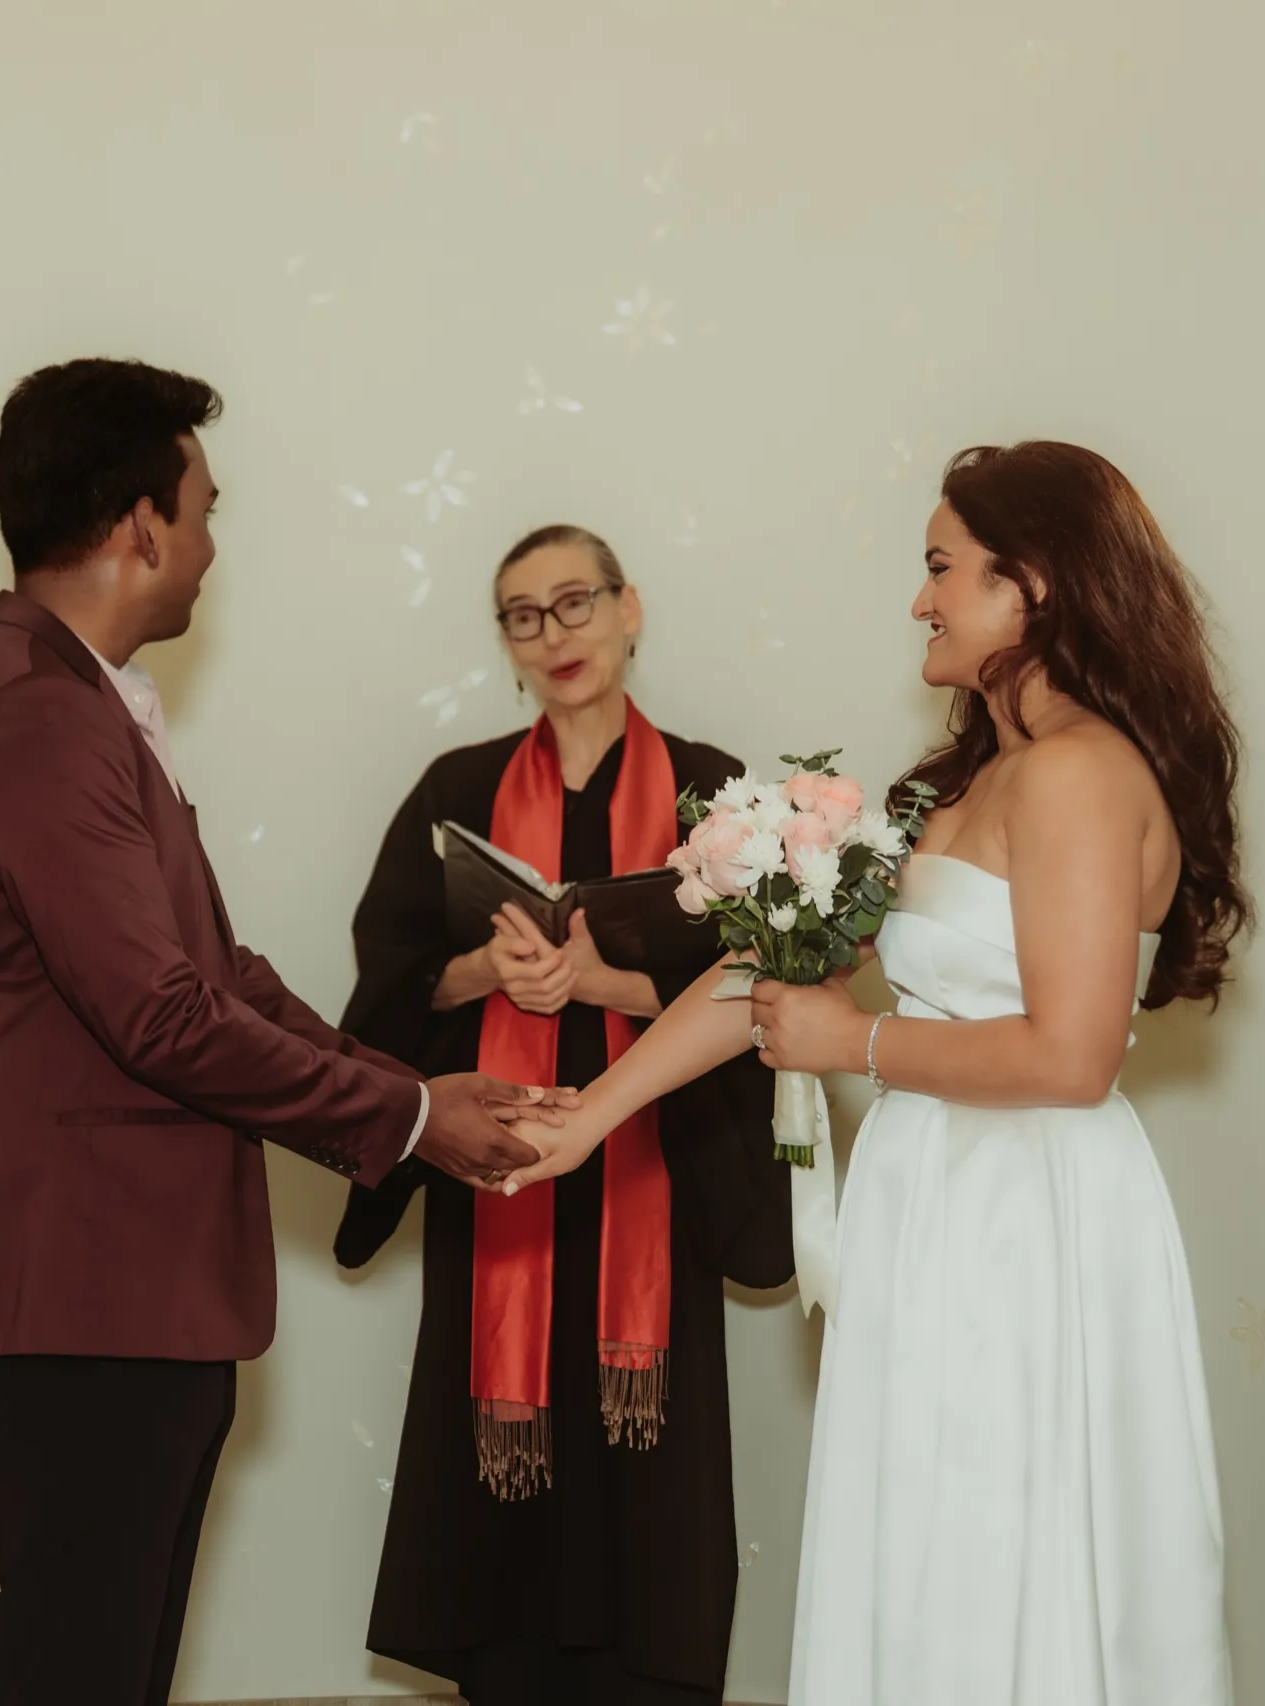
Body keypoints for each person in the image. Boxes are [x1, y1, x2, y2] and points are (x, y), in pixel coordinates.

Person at [500, 444, 1249, 1704]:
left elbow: (1069, 1056)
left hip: (1024, 1214)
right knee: (922, 1542)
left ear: (1037, 583)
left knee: (999, 1539)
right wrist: (592, 1115)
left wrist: (855, 1044)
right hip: (936, 1197)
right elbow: (764, 975)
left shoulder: (1077, 773)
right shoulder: (976, 781)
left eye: (942, 568)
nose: (921, 599)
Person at [0, 358, 558, 1706]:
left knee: (108, 1662)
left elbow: (220, 971)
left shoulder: (66, 695)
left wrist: (412, 1091)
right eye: (203, 507)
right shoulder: (35, 711)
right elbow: (162, 1012)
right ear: (139, 524)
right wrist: (416, 1119)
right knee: (77, 1666)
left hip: (120, 1282)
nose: (211, 544)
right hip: (87, 1285)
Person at [333, 524, 794, 1706]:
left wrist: (599, 985)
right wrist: (487, 973)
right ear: (506, 644)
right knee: (507, 1524)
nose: (556, 634)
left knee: (645, 1485)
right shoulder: (458, 791)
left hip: (656, 1175)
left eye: (575, 602)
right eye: (523, 615)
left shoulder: (711, 794)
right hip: (497, 1177)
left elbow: (761, 986)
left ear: (630, 608)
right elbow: (389, 981)